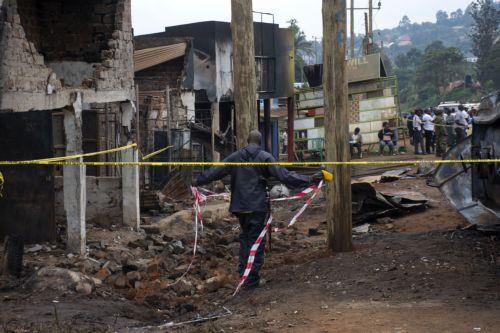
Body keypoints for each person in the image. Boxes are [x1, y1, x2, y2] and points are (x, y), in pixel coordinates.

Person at [193, 130, 327, 289]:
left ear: (247, 141)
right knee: (256, 241)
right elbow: (284, 176)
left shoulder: (235, 157)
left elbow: (215, 172)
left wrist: (196, 180)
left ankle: (244, 274)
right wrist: (310, 179)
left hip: (240, 207)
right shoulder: (265, 157)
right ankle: (251, 281)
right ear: (260, 142)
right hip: (257, 207)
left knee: (245, 239)